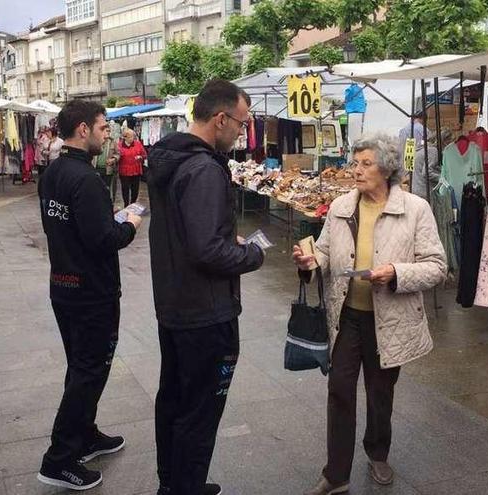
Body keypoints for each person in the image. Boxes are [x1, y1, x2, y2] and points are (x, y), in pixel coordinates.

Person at [292, 134, 447, 495]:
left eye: (365, 164)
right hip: (347, 316)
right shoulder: (341, 206)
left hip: (389, 319)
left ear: (387, 168)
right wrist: (311, 261)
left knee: (381, 392)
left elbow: (437, 267)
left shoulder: (415, 209)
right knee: (340, 390)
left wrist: (395, 272)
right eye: (354, 163)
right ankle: (336, 473)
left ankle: (378, 452)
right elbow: (326, 252)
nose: (356, 170)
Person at [146, 79, 266, 495]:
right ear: (220, 118)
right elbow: (206, 251)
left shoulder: (171, 158)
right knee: (200, 409)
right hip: (205, 312)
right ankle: (185, 486)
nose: (243, 132)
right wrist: (252, 255)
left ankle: (175, 484)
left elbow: (188, 235)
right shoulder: (203, 168)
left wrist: (216, 238)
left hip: (176, 304)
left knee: (175, 401)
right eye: (241, 123)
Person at [36, 100, 143, 491]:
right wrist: (129, 223)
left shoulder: (52, 174)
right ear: (83, 129)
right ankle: (60, 458)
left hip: (63, 286)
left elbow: (61, 230)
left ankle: (84, 435)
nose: (107, 134)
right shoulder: (86, 179)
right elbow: (103, 239)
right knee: (88, 371)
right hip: (90, 293)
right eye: (102, 127)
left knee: (80, 367)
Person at [117, 128, 147, 207]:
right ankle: (126, 205)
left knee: (135, 190)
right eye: (130, 137)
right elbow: (117, 156)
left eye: (133, 136)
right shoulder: (119, 145)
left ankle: (133, 204)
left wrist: (140, 157)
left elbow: (144, 155)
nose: (132, 138)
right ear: (125, 137)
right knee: (125, 189)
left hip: (135, 170)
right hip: (124, 171)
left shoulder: (138, 144)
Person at [92, 124, 120, 202]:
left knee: (107, 189)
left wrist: (113, 159)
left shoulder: (112, 142)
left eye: (109, 131)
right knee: (96, 188)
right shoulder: (96, 141)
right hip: (95, 169)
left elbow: (118, 154)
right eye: (106, 131)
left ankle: (106, 204)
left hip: (108, 170)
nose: (108, 132)